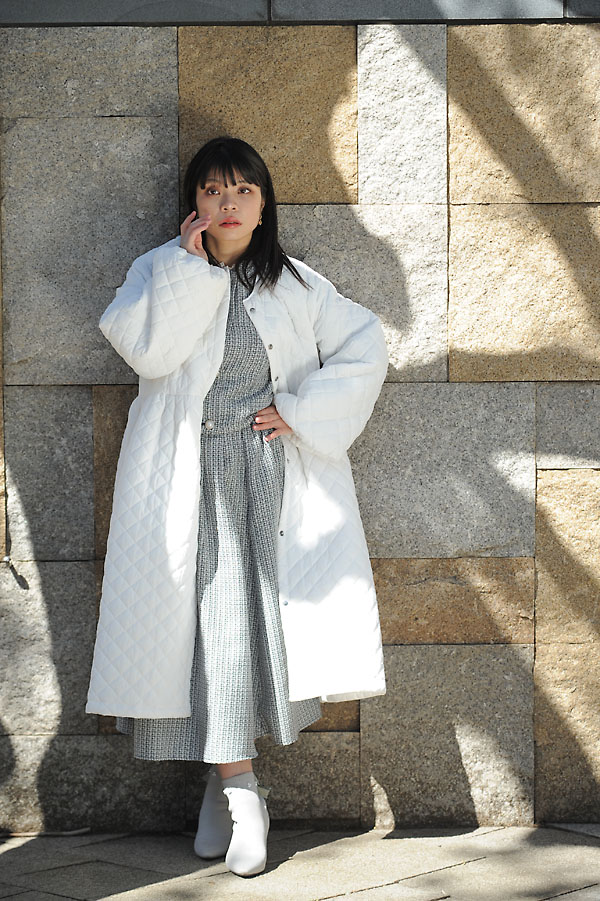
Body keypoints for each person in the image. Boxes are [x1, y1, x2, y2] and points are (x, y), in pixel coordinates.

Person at [85, 136, 389, 877]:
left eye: (244, 190)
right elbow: (149, 354)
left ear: (263, 203)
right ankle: (243, 793)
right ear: (194, 202)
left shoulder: (295, 282)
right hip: (187, 478)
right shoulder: (158, 269)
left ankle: (224, 787)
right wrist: (191, 271)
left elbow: (366, 344)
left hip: (269, 477)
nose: (229, 203)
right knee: (210, 628)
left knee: (250, 629)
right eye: (214, 189)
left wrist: (301, 411)